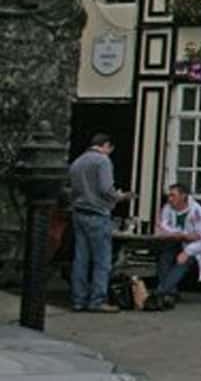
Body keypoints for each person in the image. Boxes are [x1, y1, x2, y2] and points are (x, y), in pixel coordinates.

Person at [67, 133, 131, 312]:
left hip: (79, 212)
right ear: (106, 145)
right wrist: (120, 196)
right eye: (110, 150)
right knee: (102, 260)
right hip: (97, 213)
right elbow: (105, 189)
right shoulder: (102, 161)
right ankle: (97, 300)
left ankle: (78, 300)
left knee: (81, 259)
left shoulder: (77, 162)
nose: (109, 153)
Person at [152, 183, 201, 309]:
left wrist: (187, 251)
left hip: (193, 247)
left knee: (182, 261)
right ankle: (170, 292)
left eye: (173, 195)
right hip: (175, 242)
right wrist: (183, 235)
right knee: (165, 257)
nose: (170, 198)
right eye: (169, 195)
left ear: (183, 196)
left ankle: (160, 292)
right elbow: (162, 227)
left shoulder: (197, 211)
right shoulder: (168, 208)